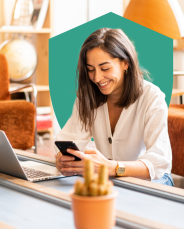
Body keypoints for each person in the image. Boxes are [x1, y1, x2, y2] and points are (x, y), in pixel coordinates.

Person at [54, 28, 174, 186]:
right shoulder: (88, 97)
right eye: (91, 70)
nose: (97, 78)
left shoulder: (152, 97)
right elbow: (67, 139)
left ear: (125, 63)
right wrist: (63, 161)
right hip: (112, 181)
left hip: (152, 181)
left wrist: (113, 168)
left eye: (105, 68)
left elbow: (159, 163)